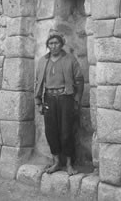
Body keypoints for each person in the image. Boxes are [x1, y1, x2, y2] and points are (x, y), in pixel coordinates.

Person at [34, 29, 84, 176]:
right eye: (51, 43)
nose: (53, 46)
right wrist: (38, 101)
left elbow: (79, 80)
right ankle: (56, 161)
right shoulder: (43, 61)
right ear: (48, 45)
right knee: (51, 131)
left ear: (61, 44)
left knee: (66, 131)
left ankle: (69, 164)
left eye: (56, 43)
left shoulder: (70, 59)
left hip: (65, 98)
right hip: (49, 98)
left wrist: (76, 99)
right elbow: (37, 82)